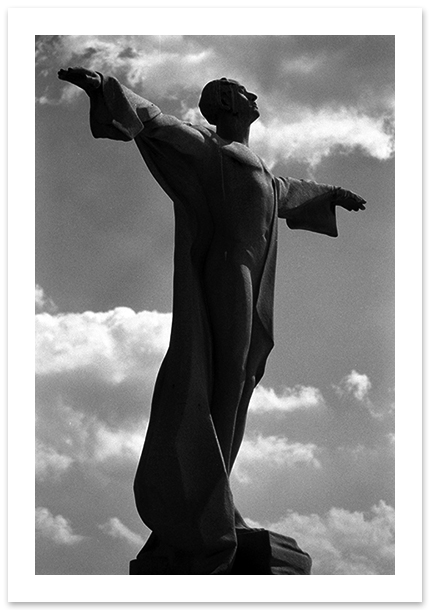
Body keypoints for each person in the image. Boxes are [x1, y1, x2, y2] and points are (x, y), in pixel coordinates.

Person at [58, 68, 366, 574]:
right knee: (221, 383)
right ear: (225, 103)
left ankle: (215, 499)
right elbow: (155, 122)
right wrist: (102, 86)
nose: (256, 94)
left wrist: (331, 193)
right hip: (227, 269)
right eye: (246, 92)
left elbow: (286, 193)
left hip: (251, 277)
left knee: (239, 383)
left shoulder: (261, 170)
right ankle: (205, 507)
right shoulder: (208, 147)